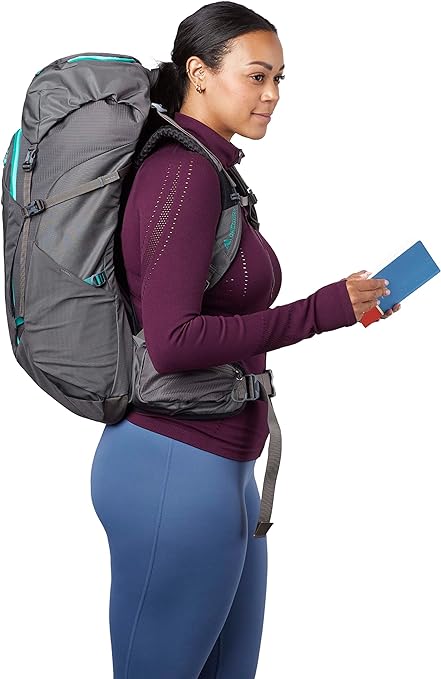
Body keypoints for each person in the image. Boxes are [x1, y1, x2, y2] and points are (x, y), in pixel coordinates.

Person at [90, 2, 401, 677]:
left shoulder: (213, 169)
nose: (272, 95)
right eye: (257, 76)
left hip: (224, 472)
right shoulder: (184, 173)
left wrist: (345, 307)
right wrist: (321, 310)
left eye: (280, 79)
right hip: (171, 468)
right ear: (199, 73)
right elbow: (173, 341)